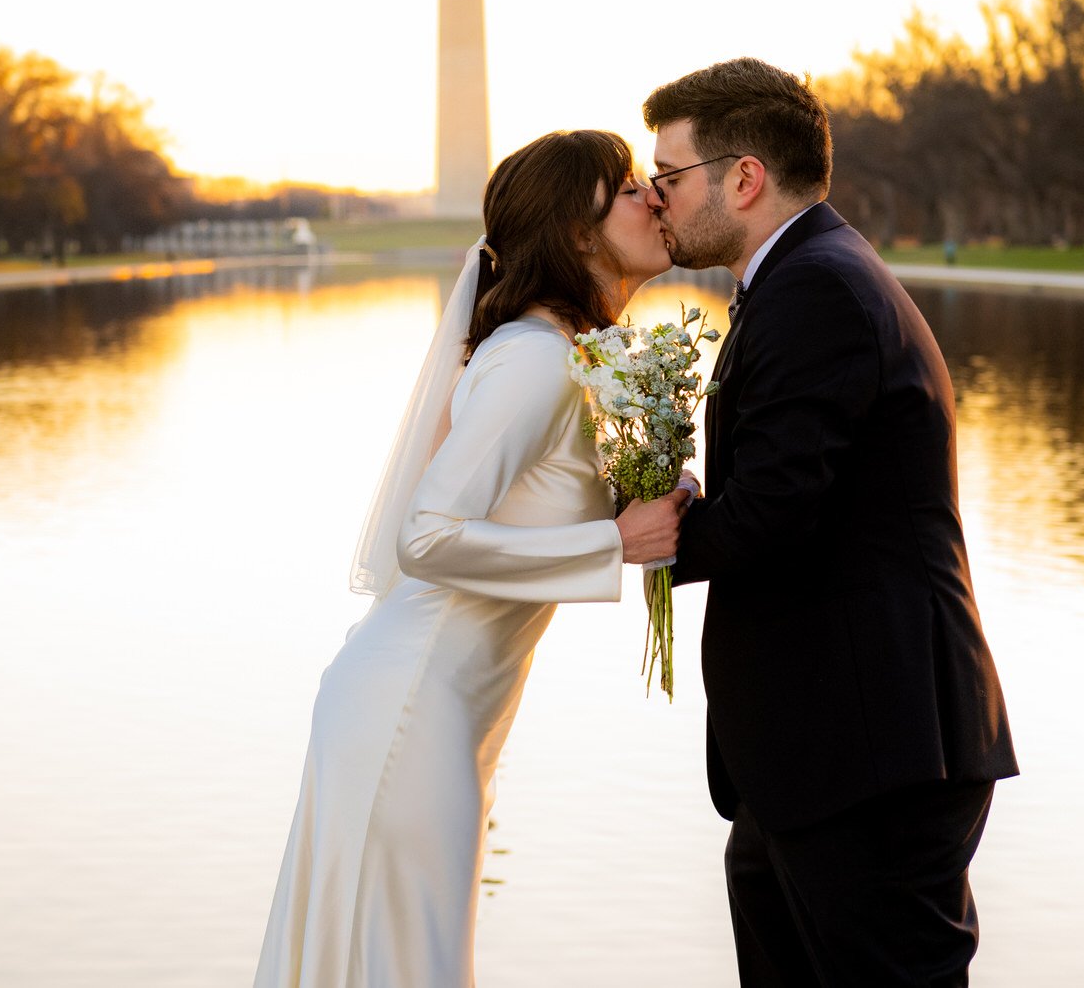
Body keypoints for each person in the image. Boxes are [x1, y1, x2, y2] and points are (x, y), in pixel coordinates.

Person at [253, 130, 689, 988]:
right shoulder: (533, 360)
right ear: (575, 232)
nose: (656, 198)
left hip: (443, 709)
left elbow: (523, 507)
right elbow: (427, 534)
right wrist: (615, 541)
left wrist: (646, 494)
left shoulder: (569, 359)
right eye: (631, 186)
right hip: (409, 709)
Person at [647, 58, 1019, 986]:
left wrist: (636, 531)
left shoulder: (818, 287)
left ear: (743, 177)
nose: (658, 200)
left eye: (669, 177)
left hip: (872, 760)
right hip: (815, 759)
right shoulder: (801, 277)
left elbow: (774, 514)